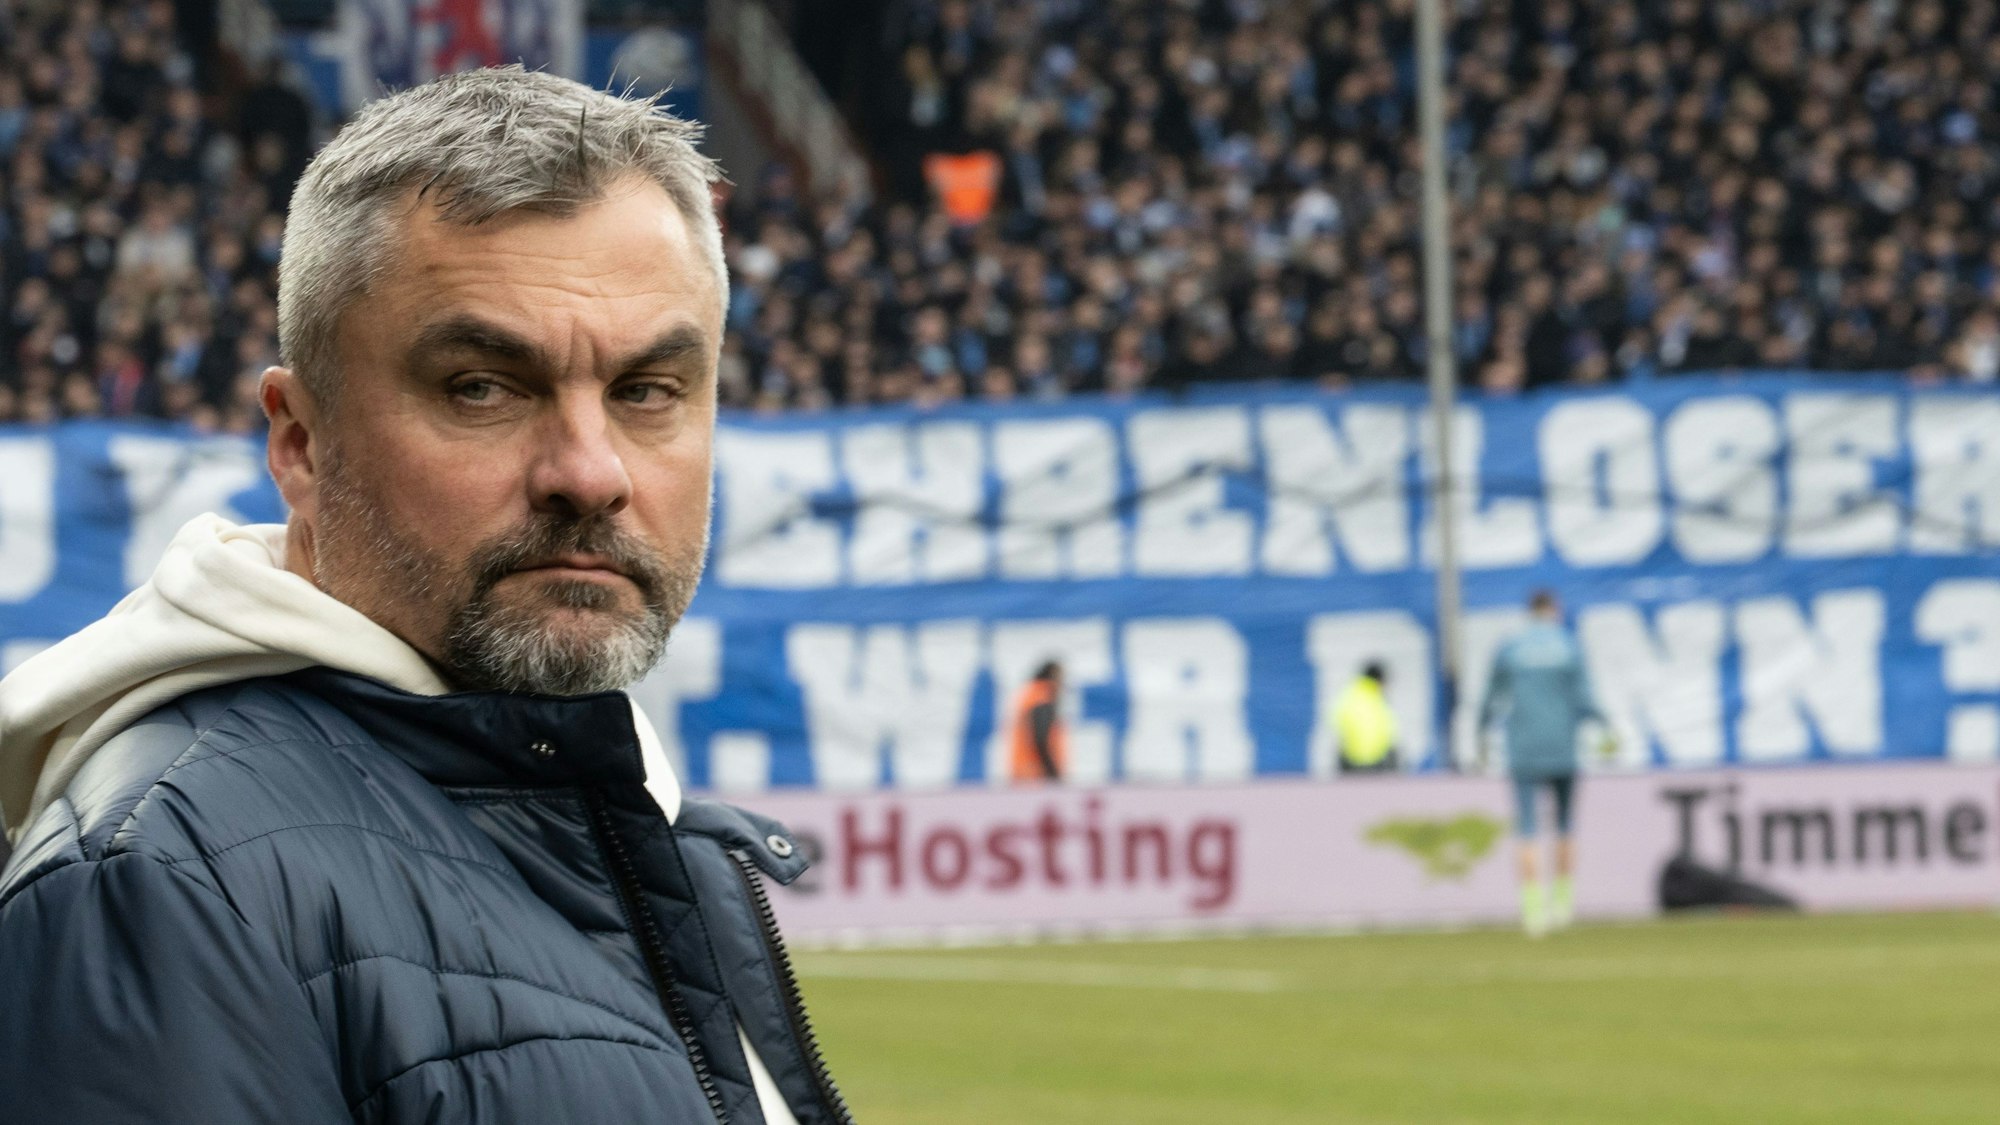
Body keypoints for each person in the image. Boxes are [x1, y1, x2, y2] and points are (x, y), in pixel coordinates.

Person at [0, 68, 850, 1124]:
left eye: (645, 391)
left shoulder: (612, 815)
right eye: (481, 388)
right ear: (300, 441)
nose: (590, 473)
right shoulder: (165, 881)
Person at [1478, 590, 1612, 937]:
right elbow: (1584, 698)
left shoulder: (1510, 647)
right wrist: (1604, 726)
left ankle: (1533, 910)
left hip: (1522, 748)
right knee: (1565, 825)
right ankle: (1563, 905)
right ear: (1553, 610)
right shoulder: (1568, 645)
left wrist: (1481, 733)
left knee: (1526, 829)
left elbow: (1491, 698)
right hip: (1563, 748)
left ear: (1529, 612)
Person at [1331, 661, 1398, 774]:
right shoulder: (1379, 700)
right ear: (1379, 680)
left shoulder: (1349, 695)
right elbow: (1389, 733)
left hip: (1349, 764)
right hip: (1377, 765)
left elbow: (1337, 727)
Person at [1008, 660, 1066, 783]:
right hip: (1037, 777)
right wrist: (1053, 773)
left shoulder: (1030, 695)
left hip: (1023, 774)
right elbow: (1040, 739)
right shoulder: (1042, 697)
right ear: (1053, 674)